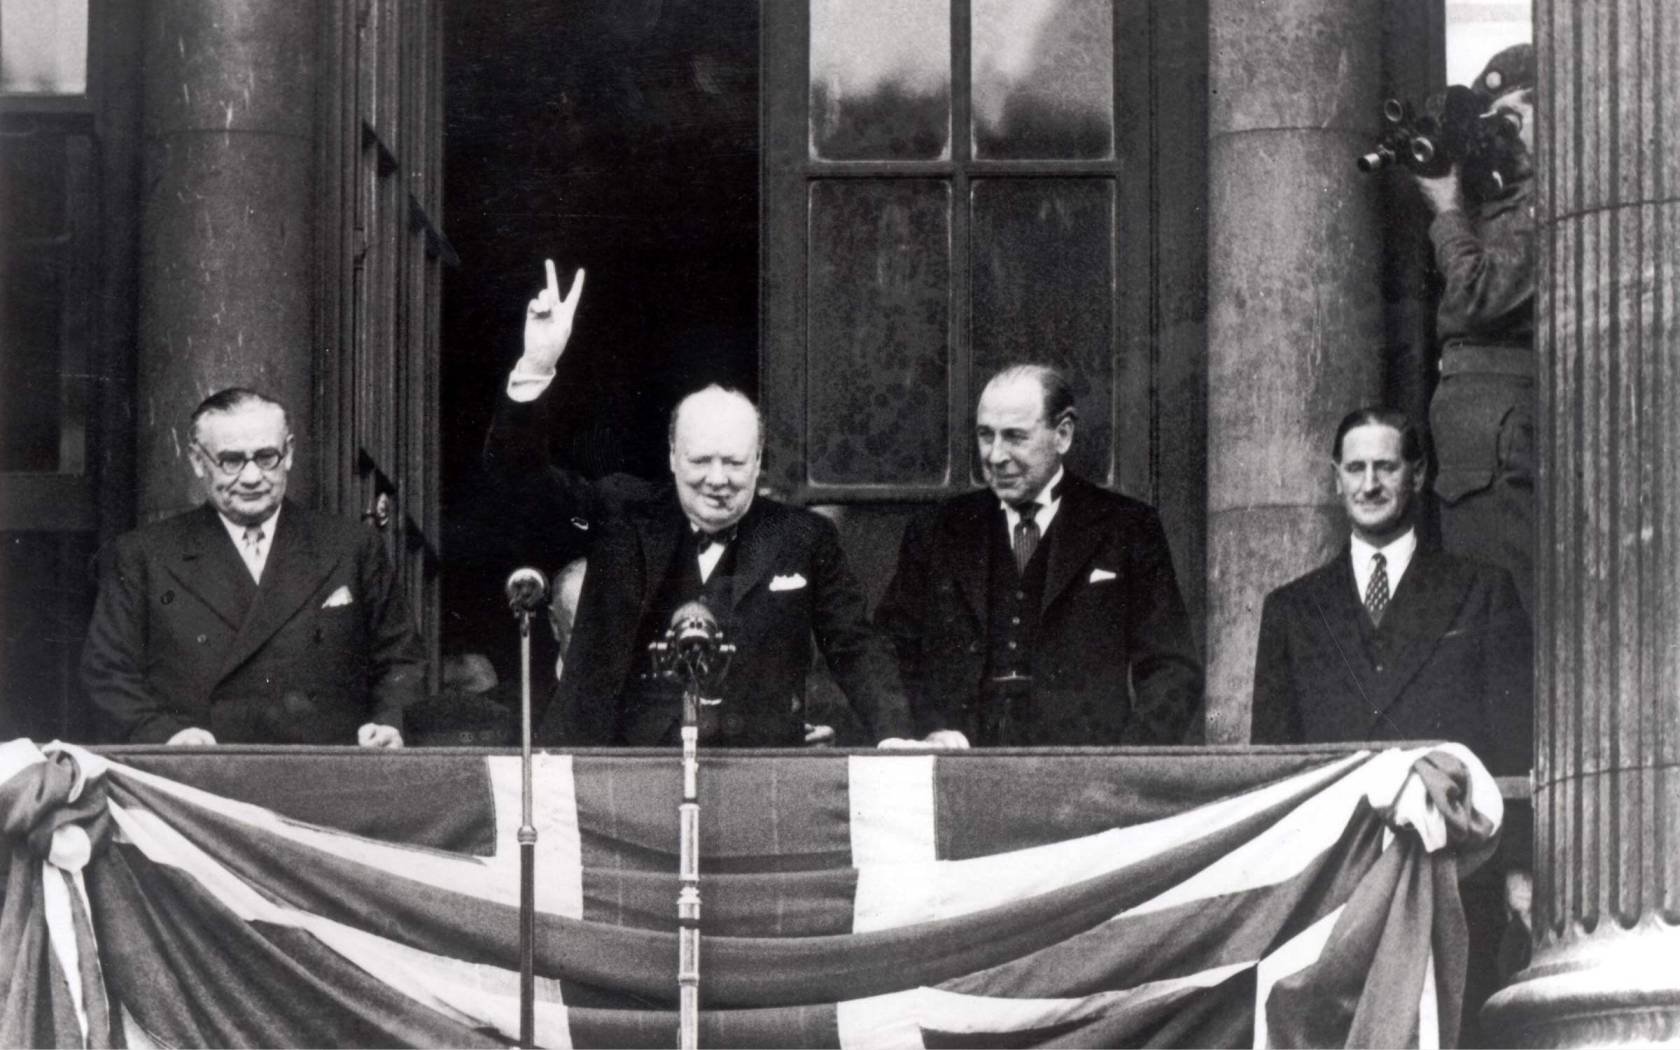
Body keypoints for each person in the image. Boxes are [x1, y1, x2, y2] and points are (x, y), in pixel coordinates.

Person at [486, 261, 926, 748]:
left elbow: (855, 645)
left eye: (735, 463)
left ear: (759, 461)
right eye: (700, 461)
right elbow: (518, 480)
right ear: (672, 456)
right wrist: (535, 367)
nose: (718, 480)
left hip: (751, 777)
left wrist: (894, 735)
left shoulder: (804, 538)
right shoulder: (620, 511)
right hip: (615, 768)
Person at [1250, 407, 1533, 1046]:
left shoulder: (1481, 591)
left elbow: (1515, 742)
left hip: (1455, 882)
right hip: (1336, 885)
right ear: (1335, 478)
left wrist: (1520, 871)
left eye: (1386, 466)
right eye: (1356, 468)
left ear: (1417, 474)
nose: (1370, 483)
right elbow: (1275, 766)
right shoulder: (1292, 610)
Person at [874, 364, 1204, 747]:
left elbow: (1173, 670)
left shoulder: (1127, 527)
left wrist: (1123, 769)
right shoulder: (937, 529)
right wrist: (922, 731)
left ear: (1062, 434)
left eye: (1015, 437)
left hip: (1083, 783)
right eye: (986, 436)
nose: (996, 456)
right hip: (958, 775)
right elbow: (888, 651)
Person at [81, 388, 424, 746]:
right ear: (198, 461)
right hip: (199, 776)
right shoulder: (143, 555)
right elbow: (108, 673)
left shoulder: (352, 546)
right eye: (231, 460)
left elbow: (401, 659)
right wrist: (166, 737)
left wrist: (389, 724)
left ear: (288, 453)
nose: (250, 477)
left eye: (266, 457)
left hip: (323, 776)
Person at [1414, 42, 1538, 616]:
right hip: (1474, 435)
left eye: (1515, 118)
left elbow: (1476, 298)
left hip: (1498, 436)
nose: (1502, 135)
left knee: (1501, 616)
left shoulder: (1542, 205)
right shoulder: (1493, 205)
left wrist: (1445, 211)